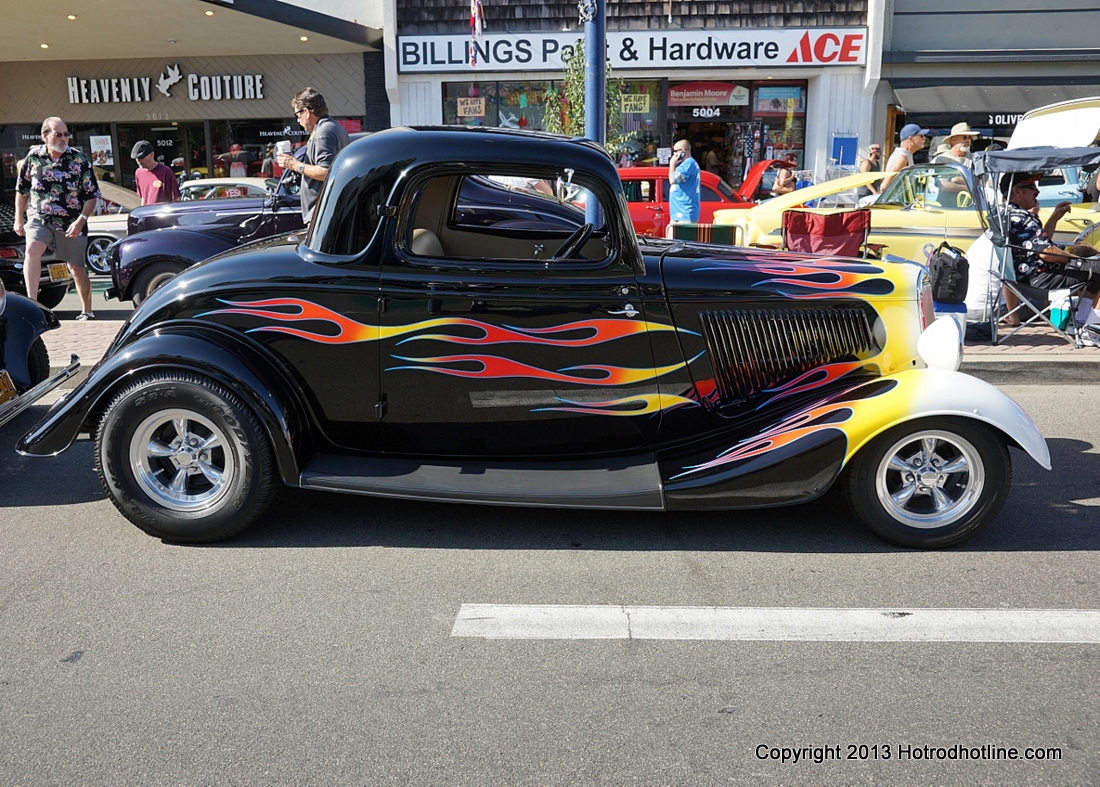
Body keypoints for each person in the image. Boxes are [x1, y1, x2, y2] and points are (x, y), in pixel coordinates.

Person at [13, 117, 100, 320]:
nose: (63, 138)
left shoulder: (79, 159)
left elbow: (91, 195)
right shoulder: (33, 157)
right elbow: (22, 190)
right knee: (32, 250)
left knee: (76, 268)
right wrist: (19, 218)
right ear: (45, 136)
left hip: (70, 220)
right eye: (58, 134)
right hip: (39, 216)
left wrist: (81, 220)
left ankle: (87, 310)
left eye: (66, 134)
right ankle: (32, 306)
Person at [1000, 172, 1100, 326]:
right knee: (1095, 268)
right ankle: (1091, 327)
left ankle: (1082, 323)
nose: (1037, 191)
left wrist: (1054, 217)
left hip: (1022, 280)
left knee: (1091, 272)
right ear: (1017, 191)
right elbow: (1047, 253)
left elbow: (1040, 244)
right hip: (1041, 280)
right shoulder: (1023, 219)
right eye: (1032, 187)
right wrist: (1079, 258)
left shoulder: (1005, 216)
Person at [275, 87, 351, 223]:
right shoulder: (334, 127)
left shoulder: (323, 132)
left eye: (298, 116)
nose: (298, 121)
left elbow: (326, 171)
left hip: (322, 214)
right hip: (329, 210)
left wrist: (295, 165)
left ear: (306, 112)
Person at [666, 138, 700, 236]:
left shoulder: (688, 164)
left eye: (676, 151)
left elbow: (673, 180)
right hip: (679, 214)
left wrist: (672, 164)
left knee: (679, 248)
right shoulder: (688, 164)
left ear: (684, 151)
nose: (674, 154)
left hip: (684, 214)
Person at [880, 123, 929, 191]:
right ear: (911, 139)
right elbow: (884, 187)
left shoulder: (905, 155)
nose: (924, 138)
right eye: (921, 136)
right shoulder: (902, 157)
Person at [132, 140, 181, 206]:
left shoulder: (166, 172)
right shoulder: (138, 173)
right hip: (148, 214)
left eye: (142, 157)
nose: (139, 161)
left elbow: (176, 199)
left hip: (163, 214)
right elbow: (144, 198)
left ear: (152, 154)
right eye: (137, 158)